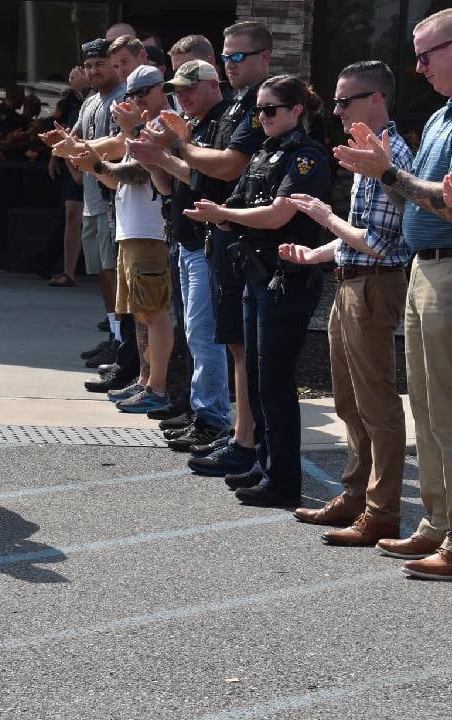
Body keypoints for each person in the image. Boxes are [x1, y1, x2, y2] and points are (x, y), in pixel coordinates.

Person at [336, 8, 452, 579]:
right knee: (426, 408)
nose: (419, 65)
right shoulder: (437, 120)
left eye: (429, 52)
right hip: (425, 271)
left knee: (446, 409)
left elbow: (446, 202)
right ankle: (436, 523)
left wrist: (387, 174)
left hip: (446, 271)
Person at [182, 74, 331, 508]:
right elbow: (248, 208)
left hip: (286, 278)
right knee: (256, 378)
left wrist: (223, 212)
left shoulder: (306, 157)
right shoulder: (266, 151)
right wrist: (221, 217)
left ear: (297, 111)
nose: (261, 118)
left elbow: (277, 215)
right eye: (258, 110)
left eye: (270, 110)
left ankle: (283, 479)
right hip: (254, 273)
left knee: (275, 382)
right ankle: (265, 465)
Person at [282, 61, 412, 546]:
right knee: (348, 400)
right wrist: (315, 252)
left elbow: (381, 243)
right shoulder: (366, 149)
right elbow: (359, 238)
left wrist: (325, 218)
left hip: (375, 284)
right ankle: (357, 496)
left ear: (376, 99)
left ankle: (382, 512)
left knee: (377, 403)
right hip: (353, 282)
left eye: (345, 100)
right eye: (336, 100)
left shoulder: (390, 153)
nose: (335, 109)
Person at [160, 21, 273, 478]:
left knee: (235, 345)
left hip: (249, 243)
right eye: (226, 57)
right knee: (225, 340)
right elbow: (194, 177)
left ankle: (233, 432)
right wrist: (166, 154)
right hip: (219, 238)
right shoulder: (235, 111)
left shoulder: (255, 108)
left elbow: (228, 168)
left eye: (238, 57)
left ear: (265, 57)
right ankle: (239, 435)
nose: (230, 66)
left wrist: (179, 147)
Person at [127, 59, 233, 450]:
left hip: (207, 240)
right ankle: (198, 410)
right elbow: (169, 187)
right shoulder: (196, 125)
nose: (183, 96)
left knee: (206, 337)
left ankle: (211, 419)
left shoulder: (221, 122)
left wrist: (167, 154)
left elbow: (205, 178)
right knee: (194, 334)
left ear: (213, 85)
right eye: (179, 89)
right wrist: (152, 158)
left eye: (190, 88)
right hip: (186, 238)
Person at [68, 65, 175, 415]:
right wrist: (91, 165)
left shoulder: (164, 125)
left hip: (150, 233)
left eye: (144, 91)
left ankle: (157, 386)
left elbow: (138, 173)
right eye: (131, 93)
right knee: (142, 314)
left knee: (155, 314)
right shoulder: (139, 129)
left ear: (163, 90)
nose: (136, 99)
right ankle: (145, 381)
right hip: (131, 231)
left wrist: (99, 165)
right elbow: (118, 182)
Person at [41, 39, 125, 382]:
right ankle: (115, 337)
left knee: (115, 274)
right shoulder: (90, 100)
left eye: (99, 65)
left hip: (110, 201)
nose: (93, 71)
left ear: (113, 66)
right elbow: (72, 140)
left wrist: (81, 153)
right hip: (91, 200)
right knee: (102, 273)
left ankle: (124, 344)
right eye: (88, 66)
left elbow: (118, 150)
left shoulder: (121, 99)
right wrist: (58, 145)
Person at [47, 65, 88, 288]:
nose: (76, 76)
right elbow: (63, 129)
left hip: (91, 162)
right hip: (71, 161)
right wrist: (56, 156)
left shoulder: (98, 95)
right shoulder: (70, 101)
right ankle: (68, 271)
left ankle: (102, 272)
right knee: (72, 214)